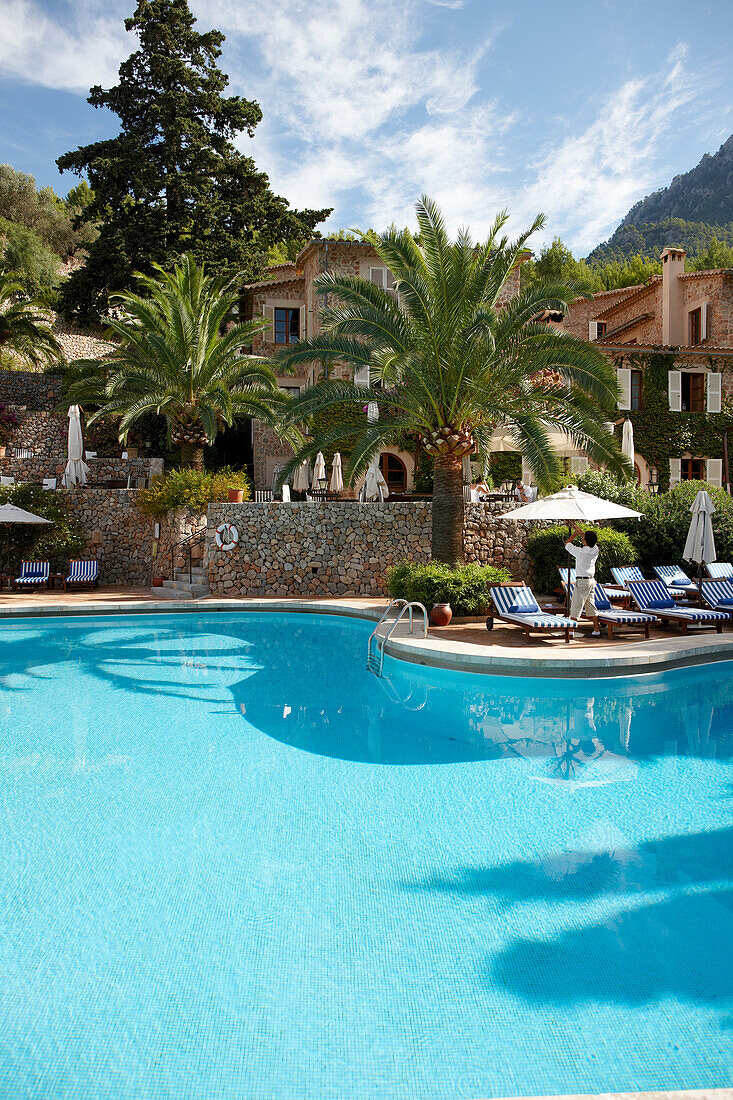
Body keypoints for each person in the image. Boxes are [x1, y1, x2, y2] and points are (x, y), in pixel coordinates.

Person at [565, 524, 601, 637]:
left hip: (582, 581)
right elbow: (589, 542)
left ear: (585, 541)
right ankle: (596, 629)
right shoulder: (595, 550)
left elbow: (567, 544)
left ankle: (571, 631)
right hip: (591, 581)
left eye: (583, 538)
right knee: (591, 604)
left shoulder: (580, 552)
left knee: (576, 605)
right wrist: (582, 534)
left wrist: (575, 533)